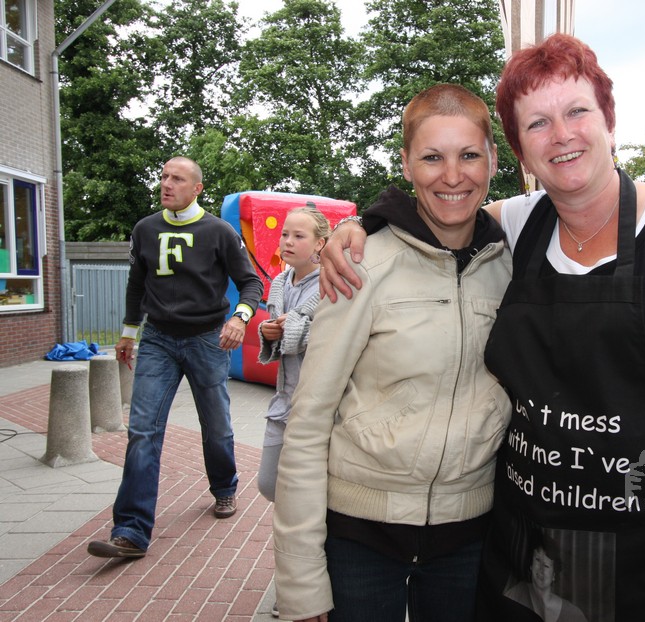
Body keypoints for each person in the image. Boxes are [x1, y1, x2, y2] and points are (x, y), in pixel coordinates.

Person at [319, 34, 645, 622]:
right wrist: (359, 226)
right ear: (519, 150)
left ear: (609, 119)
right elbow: (430, 214)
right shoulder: (516, 223)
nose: (561, 135)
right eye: (537, 123)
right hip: (526, 549)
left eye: (577, 111)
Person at [272, 84, 512, 622]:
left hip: (469, 540)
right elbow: (307, 423)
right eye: (432, 157)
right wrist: (301, 582)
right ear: (406, 164)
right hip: (360, 539)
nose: (453, 176)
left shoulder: (510, 266)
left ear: (493, 160)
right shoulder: (360, 263)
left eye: (469, 155)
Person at [87, 156, 263, 559]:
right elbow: (136, 284)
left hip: (207, 340)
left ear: (197, 188)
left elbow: (251, 282)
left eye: (177, 179)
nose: (167, 184)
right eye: (164, 176)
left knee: (216, 426)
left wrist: (240, 318)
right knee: (142, 430)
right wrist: (128, 332)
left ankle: (224, 487)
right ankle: (130, 531)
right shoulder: (145, 229)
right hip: (158, 340)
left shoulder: (219, 232)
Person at [257, 205, 330, 502]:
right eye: (284, 234)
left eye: (299, 236)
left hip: (318, 406)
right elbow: (281, 339)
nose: (287, 241)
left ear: (319, 244)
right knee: (269, 484)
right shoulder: (279, 283)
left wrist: (297, 328)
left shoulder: (332, 283)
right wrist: (268, 332)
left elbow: (338, 337)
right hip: (284, 399)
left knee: (310, 492)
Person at [504, 540, 588, 622]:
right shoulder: (516, 594)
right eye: (537, 560)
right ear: (531, 565)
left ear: (554, 575)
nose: (541, 569)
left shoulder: (572, 614)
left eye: (546, 566)